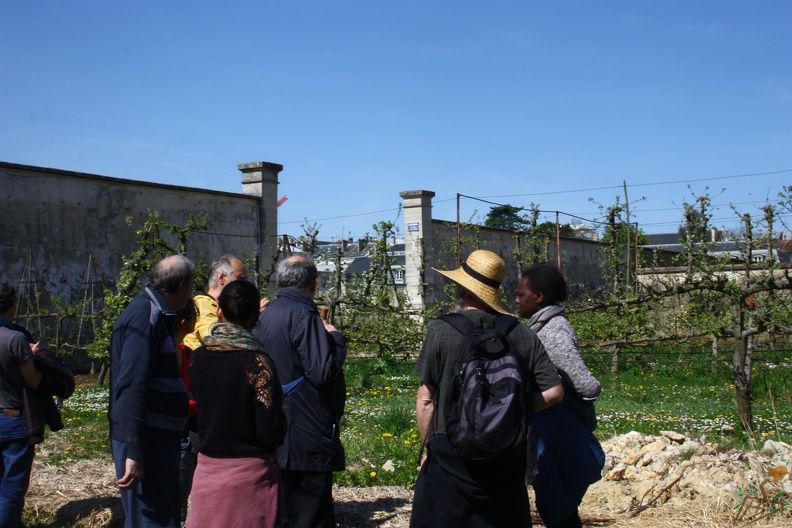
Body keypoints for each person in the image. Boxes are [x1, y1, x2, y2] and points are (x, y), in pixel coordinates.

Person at [411, 250, 564, 528]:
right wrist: (514, 409)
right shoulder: (522, 333)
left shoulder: (441, 330)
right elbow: (555, 393)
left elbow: (425, 399)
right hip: (505, 456)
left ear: (461, 288)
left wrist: (427, 450)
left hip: (450, 454)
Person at [254, 255, 347, 528]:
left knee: (284, 511)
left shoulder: (265, 314)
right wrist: (335, 340)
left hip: (276, 427)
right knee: (311, 513)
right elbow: (321, 371)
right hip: (306, 430)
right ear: (313, 284)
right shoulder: (304, 315)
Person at [187, 279, 286, 528]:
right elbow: (268, 428)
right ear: (256, 316)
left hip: (208, 470)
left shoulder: (198, 358)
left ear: (219, 310)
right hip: (250, 475)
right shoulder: (257, 362)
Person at [516, 263, 605, 528]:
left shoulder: (553, 332)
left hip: (554, 431)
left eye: (522, 294)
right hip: (550, 428)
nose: (517, 300)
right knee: (555, 503)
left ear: (539, 296)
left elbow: (587, 385)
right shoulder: (544, 326)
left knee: (557, 505)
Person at [109, 254, 195, 528]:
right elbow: (132, 386)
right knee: (152, 519)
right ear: (182, 287)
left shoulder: (156, 315)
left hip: (156, 439)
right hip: (147, 440)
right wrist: (135, 452)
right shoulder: (144, 318)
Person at [0, 282, 41, 526]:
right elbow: (33, 381)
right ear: (11, 306)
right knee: (11, 488)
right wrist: (34, 356)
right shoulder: (15, 339)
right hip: (11, 419)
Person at [182, 254, 248, 351]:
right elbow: (215, 336)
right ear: (222, 278)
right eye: (240, 279)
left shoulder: (220, 305)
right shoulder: (202, 304)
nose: (245, 285)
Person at [173, 300, 198, 527]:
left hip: (187, 431)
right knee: (175, 502)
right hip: (175, 433)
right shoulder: (168, 356)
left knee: (180, 499)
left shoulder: (185, 353)